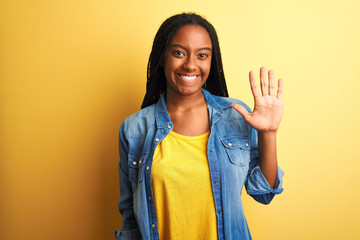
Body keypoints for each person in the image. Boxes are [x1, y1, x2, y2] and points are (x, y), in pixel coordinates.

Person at [115, 13, 284, 240]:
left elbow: (264, 192)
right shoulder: (135, 129)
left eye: (202, 55)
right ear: (162, 57)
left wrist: (268, 133)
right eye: (179, 53)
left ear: (211, 61)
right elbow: (130, 218)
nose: (190, 65)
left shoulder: (235, 116)